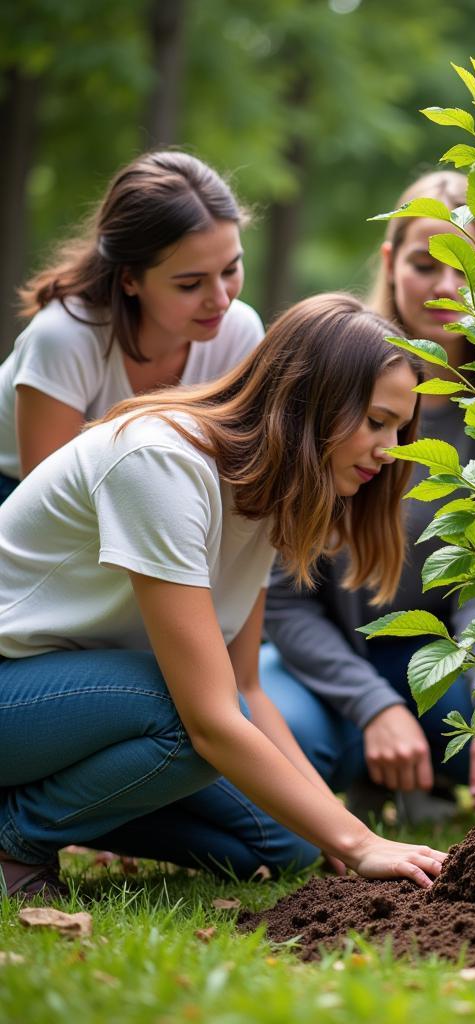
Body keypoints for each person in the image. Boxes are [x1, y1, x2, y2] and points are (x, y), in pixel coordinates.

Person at [0, 292, 447, 899]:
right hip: (15, 687)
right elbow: (212, 717)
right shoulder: (162, 461)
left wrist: (338, 832)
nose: (390, 448)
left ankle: (59, 805)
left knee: (284, 841)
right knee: (193, 724)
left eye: (399, 426)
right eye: (375, 421)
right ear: (309, 398)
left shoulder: (266, 494)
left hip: (85, 711)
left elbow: (247, 685)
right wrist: (360, 844)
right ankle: (17, 839)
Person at [261, 170, 475, 824]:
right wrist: (371, 704)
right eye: (423, 263)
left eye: (466, 268)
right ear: (388, 260)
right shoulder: (330, 377)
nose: (445, 288)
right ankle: (372, 750)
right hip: (325, 651)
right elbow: (283, 599)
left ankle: (408, 762)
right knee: (297, 738)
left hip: (436, 649)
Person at [0, 151, 264, 502]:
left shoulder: (240, 331)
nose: (220, 299)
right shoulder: (63, 338)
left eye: (230, 270)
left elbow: (239, 474)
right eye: (190, 284)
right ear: (129, 279)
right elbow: (42, 502)